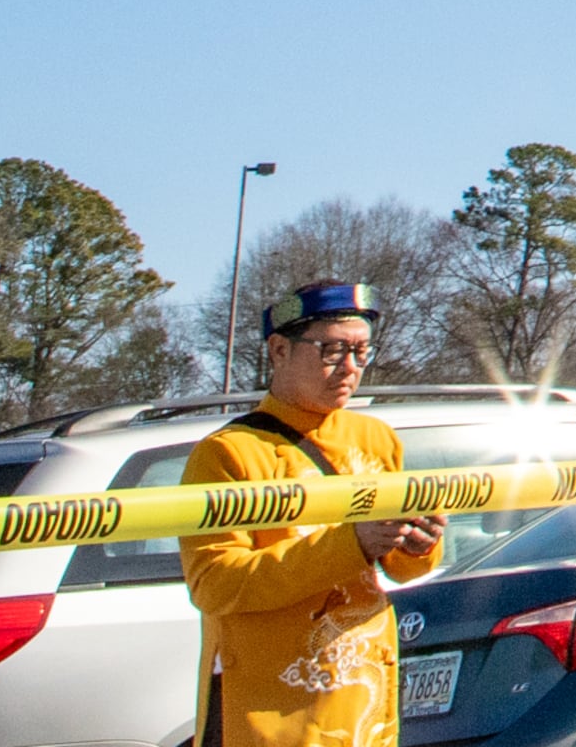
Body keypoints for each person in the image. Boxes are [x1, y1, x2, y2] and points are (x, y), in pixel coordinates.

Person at [180, 280, 442, 747]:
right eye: (332, 350)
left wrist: (418, 544)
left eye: (362, 352)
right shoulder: (227, 454)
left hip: (362, 703)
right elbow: (215, 584)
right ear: (279, 350)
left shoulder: (377, 438)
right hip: (273, 711)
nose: (350, 368)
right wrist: (352, 543)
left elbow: (400, 570)